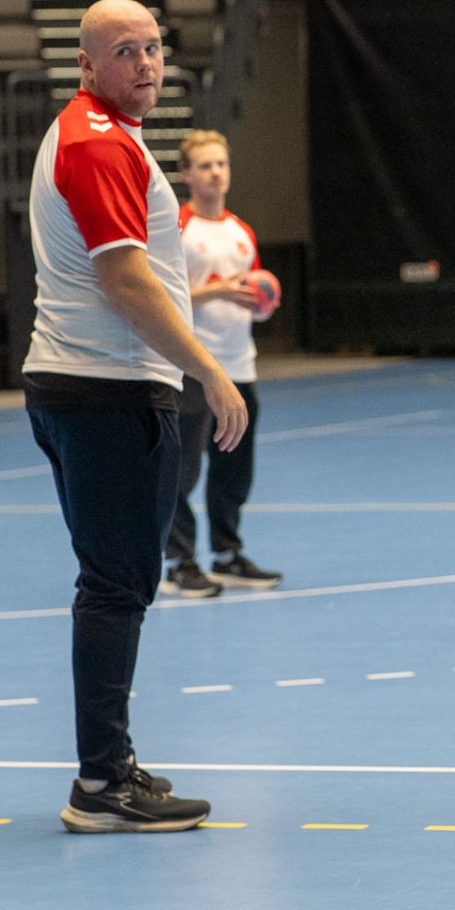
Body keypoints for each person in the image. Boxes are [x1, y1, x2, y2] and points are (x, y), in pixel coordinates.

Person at [23, 0, 247, 833]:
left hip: (85, 387)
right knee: (116, 586)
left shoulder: (99, 136)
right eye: (126, 51)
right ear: (88, 63)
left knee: (115, 583)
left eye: (154, 48)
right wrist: (209, 373)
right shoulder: (95, 143)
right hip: (108, 390)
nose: (146, 64)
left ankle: (109, 767)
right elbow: (124, 282)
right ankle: (100, 785)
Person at [159, 129, 283, 598]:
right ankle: (179, 561)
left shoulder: (241, 231)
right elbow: (162, 301)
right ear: (187, 174)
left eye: (222, 164)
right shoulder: (178, 229)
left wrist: (258, 303)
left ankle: (227, 553)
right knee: (183, 468)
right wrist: (216, 290)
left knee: (235, 467)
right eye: (206, 165)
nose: (217, 173)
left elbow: (248, 297)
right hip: (193, 367)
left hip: (239, 365)